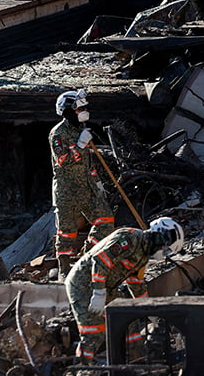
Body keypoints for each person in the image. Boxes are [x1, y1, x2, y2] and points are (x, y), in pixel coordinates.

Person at [65, 217, 184, 364]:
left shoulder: (143, 257)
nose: (163, 253)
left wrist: (150, 312)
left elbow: (136, 284)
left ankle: (136, 363)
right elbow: (101, 260)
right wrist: (98, 293)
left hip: (107, 288)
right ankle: (81, 370)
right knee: (93, 332)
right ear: (159, 237)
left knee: (128, 322)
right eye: (165, 249)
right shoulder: (129, 238)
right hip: (83, 284)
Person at [50, 89, 114, 277]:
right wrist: (79, 145)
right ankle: (64, 270)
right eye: (80, 108)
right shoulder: (58, 134)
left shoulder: (81, 130)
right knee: (67, 232)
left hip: (87, 188)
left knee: (106, 220)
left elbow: (88, 163)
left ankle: (86, 256)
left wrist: (97, 182)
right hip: (67, 192)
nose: (84, 111)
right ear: (69, 110)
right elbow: (63, 161)